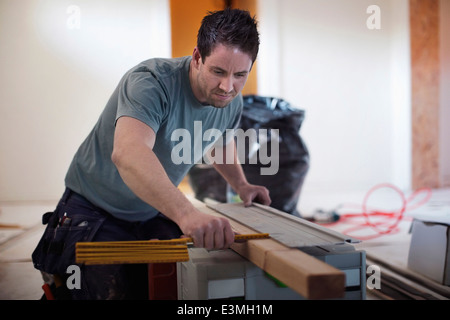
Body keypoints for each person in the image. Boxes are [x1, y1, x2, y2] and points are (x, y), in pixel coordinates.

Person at [32, 8, 270, 300]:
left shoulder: (230, 101)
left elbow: (219, 143)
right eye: (218, 71)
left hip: (149, 211)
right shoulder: (151, 82)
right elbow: (128, 153)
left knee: (176, 287)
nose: (227, 86)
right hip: (92, 209)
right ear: (197, 57)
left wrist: (242, 185)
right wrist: (187, 214)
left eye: (240, 75)